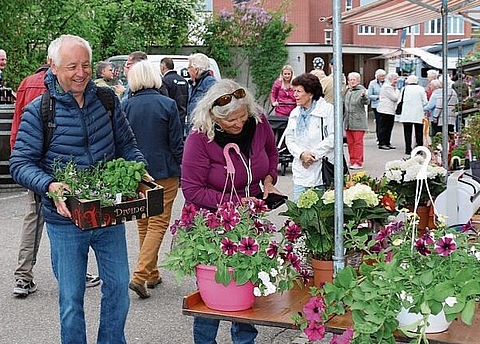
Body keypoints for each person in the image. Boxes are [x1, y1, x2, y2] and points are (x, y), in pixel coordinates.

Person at [9, 34, 146, 344]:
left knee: (118, 287)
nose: (81, 73)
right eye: (72, 66)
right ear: (53, 66)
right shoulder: (39, 110)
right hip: (65, 221)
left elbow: (127, 145)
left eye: (85, 65)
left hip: (108, 213)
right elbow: (20, 163)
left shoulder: (108, 101)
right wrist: (50, 184)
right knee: (71, 299)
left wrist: (138, 171)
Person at [181, 79, 280, 343]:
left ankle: (245, 340)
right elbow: (192, 191)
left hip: (249, 217)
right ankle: (204, 341)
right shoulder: (199, 138)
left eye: (242, 116)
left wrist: (269, 179)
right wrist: (235, 204)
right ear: (214, 116)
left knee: (247, 280)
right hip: (210, 222)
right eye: (231, 120)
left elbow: (271, 153)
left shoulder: (258, 122)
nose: (238, 123)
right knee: (212, 290)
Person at [10, 62, 101, 297]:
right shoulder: (56, 88)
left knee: (36, 219)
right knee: (63, 220)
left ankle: (23, 276)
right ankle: (71, 273)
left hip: (32, 164)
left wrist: (19, 159)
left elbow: (16, 124)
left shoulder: (25, 84)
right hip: (56, 168)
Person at [123, 60, 183, 300]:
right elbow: (177, 144)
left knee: (144, 224)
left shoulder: (125, 106)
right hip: (164, 172)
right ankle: (140, 276)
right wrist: (185, 171)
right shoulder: (167, 105)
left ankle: (152, 273)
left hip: (137, 174)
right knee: (158, 225)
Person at [284, 73, 335, 199]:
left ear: (310, 93)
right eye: (294, 91)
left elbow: (333, 137)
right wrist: (301, 154)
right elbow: (289, 138)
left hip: (322, 170)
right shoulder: (295, 113)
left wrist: (312, 155)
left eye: (299, 91)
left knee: (320, 213)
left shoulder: (327, 110)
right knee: (299, 211)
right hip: (301, 171)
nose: (294, 94)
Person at [344, 72, 369, 169]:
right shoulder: (347, 91)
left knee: (357, 143)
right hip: (348, 121)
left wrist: (364, 97)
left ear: (358, 81)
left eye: (354, 80)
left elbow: (366, 101)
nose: (352, 81)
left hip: (358, 121)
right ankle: (352, 160)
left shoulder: (362, 91)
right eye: (350, 80)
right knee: (350, 143)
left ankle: (358, 162)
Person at [186, 52, 217, 134]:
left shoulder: (210, 83)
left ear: (196, 70)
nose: (187, 70)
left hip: (204, 130)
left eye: (189, 67)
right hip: (194, 128)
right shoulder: (194, 84)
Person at [398, 75, 427, 155]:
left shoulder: (404, 89)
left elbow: (400, 100)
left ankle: (408, 149)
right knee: (419, 132)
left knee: (407, 132)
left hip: (406, 113)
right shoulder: (421, 89)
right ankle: (419, 149)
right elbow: (425, 101)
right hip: (418, 113)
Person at [160, 57, 189, 135]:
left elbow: (165, 101)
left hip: (171, 119)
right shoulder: (183, 80)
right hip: (182, 118)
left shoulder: (165, 81)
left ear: (163, 67)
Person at [376, 72, 399, 150]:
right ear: (390, 79)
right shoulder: (387, 87)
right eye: (395, 79)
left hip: (390, 110)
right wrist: (397, 90)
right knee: (384, 127)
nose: (396, 81)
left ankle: (387, 142)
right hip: (385, 110)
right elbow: (395, 98)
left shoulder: (391, 87)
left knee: (389, 127)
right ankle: (382, 143)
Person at [367, 69, 386, 146]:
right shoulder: (372, 83)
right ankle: (380, 139)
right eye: (381, 76)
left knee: (386, 123)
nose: (383, 77)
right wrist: (378, 97)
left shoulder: (387, 83)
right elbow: (369, 95)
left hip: (386, 106)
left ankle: (386, 139)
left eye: (384, 76)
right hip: (376, 105)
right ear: (377, 76)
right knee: (379, 123)